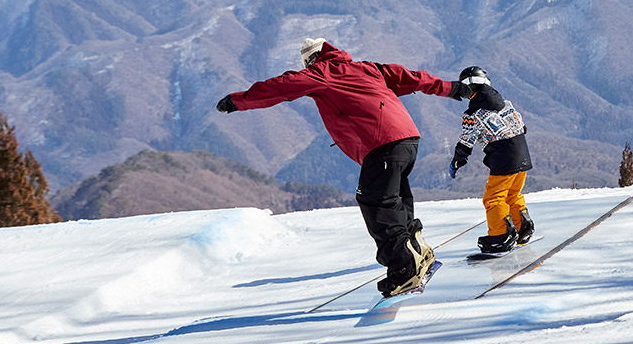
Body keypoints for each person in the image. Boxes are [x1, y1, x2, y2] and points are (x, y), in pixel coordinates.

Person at [216, 38, 471, 297]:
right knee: (395, 199)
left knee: (375, 201)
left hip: (381, 141)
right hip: (407, 138)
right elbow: (411, 78)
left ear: (311, 60)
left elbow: (283, 85)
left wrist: (239, 100)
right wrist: (451, 88)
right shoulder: (367, 68)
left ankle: (404, 270)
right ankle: (418, 251)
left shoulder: (323, 72)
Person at [447, 66, 534, 254]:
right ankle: (522, 227)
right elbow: (523, 127)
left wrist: (457, 161)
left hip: (504, 159)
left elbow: (466, 142)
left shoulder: (473, 114)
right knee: (513, 194)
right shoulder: (507, 104)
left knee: (493, 197)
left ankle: (500, 236)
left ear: (468, 87)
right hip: (523, 153)